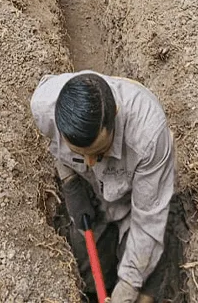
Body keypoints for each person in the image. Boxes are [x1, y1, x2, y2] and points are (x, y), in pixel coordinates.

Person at [31, 72, 175, 303]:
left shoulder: (149, 137)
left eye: (99, 152)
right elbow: (55, 147)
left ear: (115, 115)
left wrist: (127, 288)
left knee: (146, 276)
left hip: (136, 195)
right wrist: (70, 184)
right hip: (90, 187)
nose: (89, 161)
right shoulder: (44, 107)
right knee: (87, 264)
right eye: (79, 153)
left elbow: (148, 221)